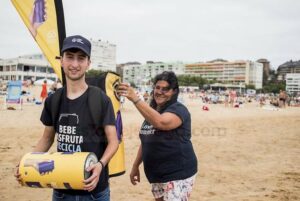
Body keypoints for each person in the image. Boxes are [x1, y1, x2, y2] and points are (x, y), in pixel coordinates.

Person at [15, 35, 119, 201]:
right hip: (62, 191)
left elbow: (114, 141)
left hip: (95, 192)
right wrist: (27, 162)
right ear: (61, 61)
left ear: (88, 63)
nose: (75, 64)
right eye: (70, 57)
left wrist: (100, 165)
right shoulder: (53, 100)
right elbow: (47, 139)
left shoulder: (100, 99)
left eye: (81, 58)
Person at [118, 71, 198, 201]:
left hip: (178, 174)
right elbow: (146, 141)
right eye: (157, 87)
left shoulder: (179, 109)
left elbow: (161, 122)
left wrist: (135, 98)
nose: (160, 92)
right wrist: (135, 166)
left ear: (174, 92)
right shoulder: (154, 112)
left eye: (165, 89)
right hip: (157, 175)